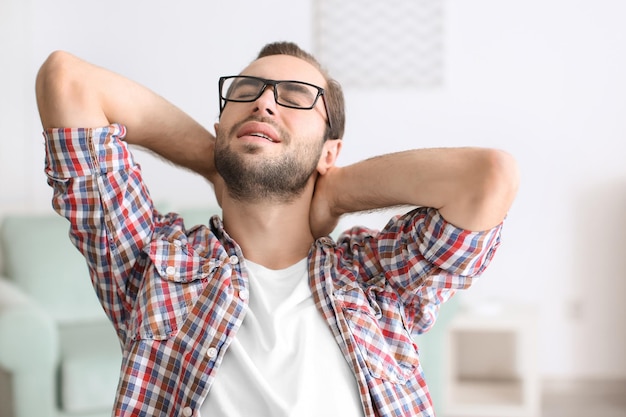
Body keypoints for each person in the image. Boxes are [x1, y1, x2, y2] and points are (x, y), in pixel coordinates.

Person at [36, 41, 519, 417]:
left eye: (294, 97)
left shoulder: (377, 278)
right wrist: (216, 161)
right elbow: (68, 82)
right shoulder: (151, 262)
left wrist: (335, 192)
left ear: (330, 151)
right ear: (219, 124)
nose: (264, 102)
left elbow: (487, 178)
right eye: (246, 92)